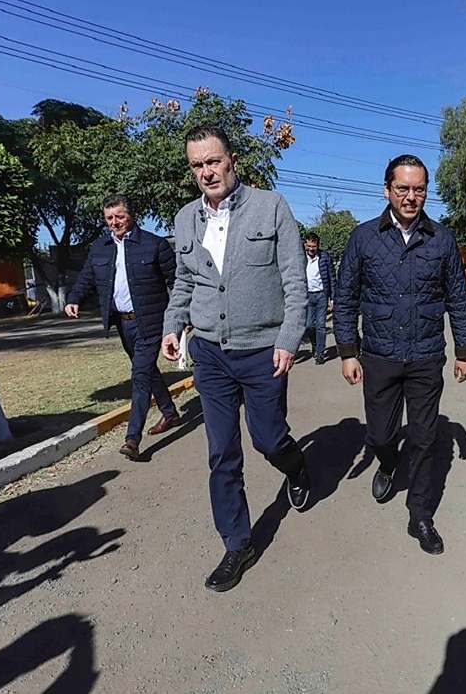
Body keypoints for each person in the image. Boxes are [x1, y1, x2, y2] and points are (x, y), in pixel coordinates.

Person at [161, 125, 310, 592]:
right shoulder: (185, 219)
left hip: (263, 350)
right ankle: (236, 543)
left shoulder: (272, 207)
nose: (206, 172)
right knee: (222, 452)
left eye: (213, 161)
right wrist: (172, 325)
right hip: (209, 353)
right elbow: (184, 283)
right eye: (197, 165)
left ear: (232, 160)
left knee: (268, 438)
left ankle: (298, 467)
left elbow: (294, 281)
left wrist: (289, 338)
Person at [334, 154, 466, 556]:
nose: (411, 197)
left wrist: (464, 351)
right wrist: (347, 351)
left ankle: (421, 515)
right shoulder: (363, 238)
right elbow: (345, 297)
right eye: (403, 189)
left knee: (426, 437)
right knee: (380, 433)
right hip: (378, 354)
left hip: (426, 355)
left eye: (418, 190)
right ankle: (387, 462)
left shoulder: (442, 239)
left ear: (426, 192)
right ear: (387, 190)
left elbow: (459, 300)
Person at [65, 194, 180, 461]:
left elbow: (177, 281)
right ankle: (170, 412)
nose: (114, 222)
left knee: (139, 376)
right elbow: (87, 278)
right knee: (147, 371)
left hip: (151, 322)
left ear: (131, 215)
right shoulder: (100, 247)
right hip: (123, 324)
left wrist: (181, 317)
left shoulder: (154, 245)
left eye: (119, 216)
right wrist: (73, 298)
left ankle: (132, 439)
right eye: (109, 218)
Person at [302, 232, 334, 364]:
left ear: (318, 245)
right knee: (309, 325)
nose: (310, 249)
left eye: (313, 246)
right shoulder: (300, 258)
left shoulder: (325, 257)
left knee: (320, 325)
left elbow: (332, 278)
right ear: (305, 245)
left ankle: (320, 353)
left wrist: (332, 298)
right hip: (307, 295)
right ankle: (315, 344)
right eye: (308, 246)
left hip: (321, 294)